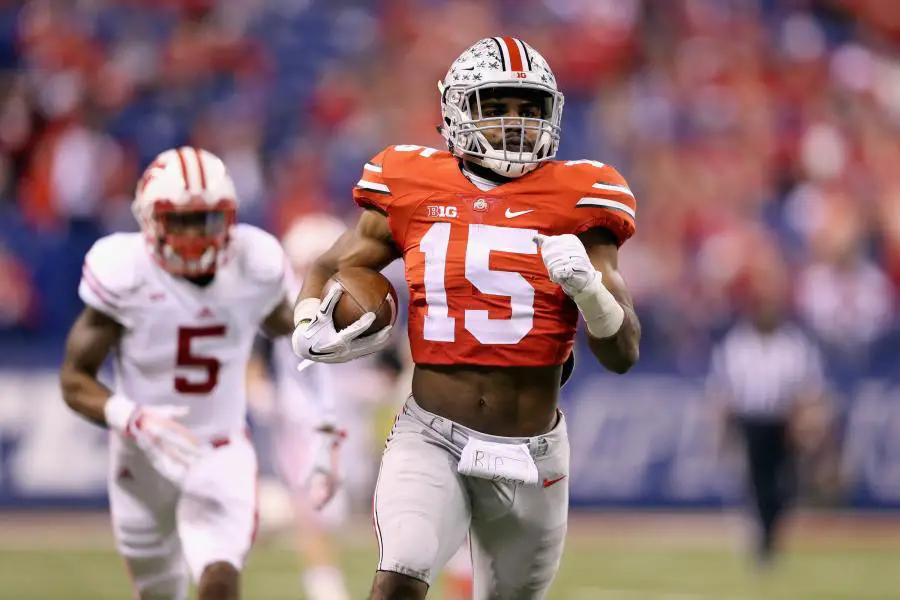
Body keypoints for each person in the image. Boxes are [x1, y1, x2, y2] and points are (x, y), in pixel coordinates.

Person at [291, 37, 641, 600]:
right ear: (457, 108)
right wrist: (309, 320)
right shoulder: (409, 182)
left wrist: (589, 290)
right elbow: (331, 264)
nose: (515, 122)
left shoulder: (583, 196)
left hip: (531, 450)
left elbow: (622, 352)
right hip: (430, 433)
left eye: (529, 109)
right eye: (497, 105)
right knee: (398, 577)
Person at [58, 147, 341, 600]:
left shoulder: (254, 261)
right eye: (181, 221)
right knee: (159, 590)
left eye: (207, 219)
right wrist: (131, 417)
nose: (195, 236)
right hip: (140, 451)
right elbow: (75, 379)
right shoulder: (122, 269)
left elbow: (294, 332)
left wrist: (334, 324)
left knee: (220, 578)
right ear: (149, 220)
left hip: (220, 447)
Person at [247, 213, 352, 600]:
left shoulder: (360, 296)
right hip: (304, 421)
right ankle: (327, 589)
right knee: (315, 512)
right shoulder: (282, 305)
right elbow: (256, 359)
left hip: (353, 416)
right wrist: (261, 395)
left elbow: (391, 360)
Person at [707, 265, 831, 568]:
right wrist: (720, 429)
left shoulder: (794, 344)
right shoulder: (737, 344)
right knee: (758, 482)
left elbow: (809, 390)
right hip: (751, 421)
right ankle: (763, 540)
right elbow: (723, 391)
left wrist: (808, 426)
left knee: (785, 485)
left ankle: (770, 532)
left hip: (784, 422)